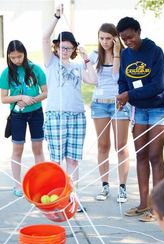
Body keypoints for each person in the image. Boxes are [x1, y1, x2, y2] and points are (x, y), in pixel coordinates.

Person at [116, 17, 164, 222]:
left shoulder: (154, 51)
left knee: (155, 156)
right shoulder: (125, 53)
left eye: (130, 37)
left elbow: (158, 85)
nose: (128, 41)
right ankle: (143, 204)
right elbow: (123, 80)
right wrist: (123, 94)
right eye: (123, 39)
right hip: (139, 110)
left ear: (139, 31)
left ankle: (157, 208)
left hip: (158, 108)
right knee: (141, 155)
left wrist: (129, 95)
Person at [42, 4, 97, 189]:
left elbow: (93, 79)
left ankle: (73, 197)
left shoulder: (77, 66)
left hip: (76, 116)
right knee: (56, 161)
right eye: (61, 47)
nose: (64, 50)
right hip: (56, 116)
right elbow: (44, 38)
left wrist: (86, 57)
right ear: (56, 47)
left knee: (73, 160)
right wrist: (56, 17)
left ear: (73, 49)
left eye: (68, 48)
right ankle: (57, 196)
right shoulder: (51, 62)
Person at [0, 40, 47, 197]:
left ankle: (40, 183)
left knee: (38, 148)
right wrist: (20, 97)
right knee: (17, 150)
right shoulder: (6, 73)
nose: (16, 60)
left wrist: (31, 100)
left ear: (24, 54)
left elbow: (46, 92)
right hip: (17, 116)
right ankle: (17, 185)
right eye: (12, 58)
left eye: (19, 56)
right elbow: (4, 98)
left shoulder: (36, 69)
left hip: (36, 113)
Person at [89, 23, 130, 203]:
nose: (105, 42)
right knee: (102, 146)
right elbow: (90, 79)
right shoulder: (94, 56)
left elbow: (116, 77)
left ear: (115, 38)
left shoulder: (123, 55)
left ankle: (122, 188)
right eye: (101, 38)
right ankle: (105, 186)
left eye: (108, 38)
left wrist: (117, 53)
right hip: (99, 105)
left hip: (119, 104)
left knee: (120, 146)